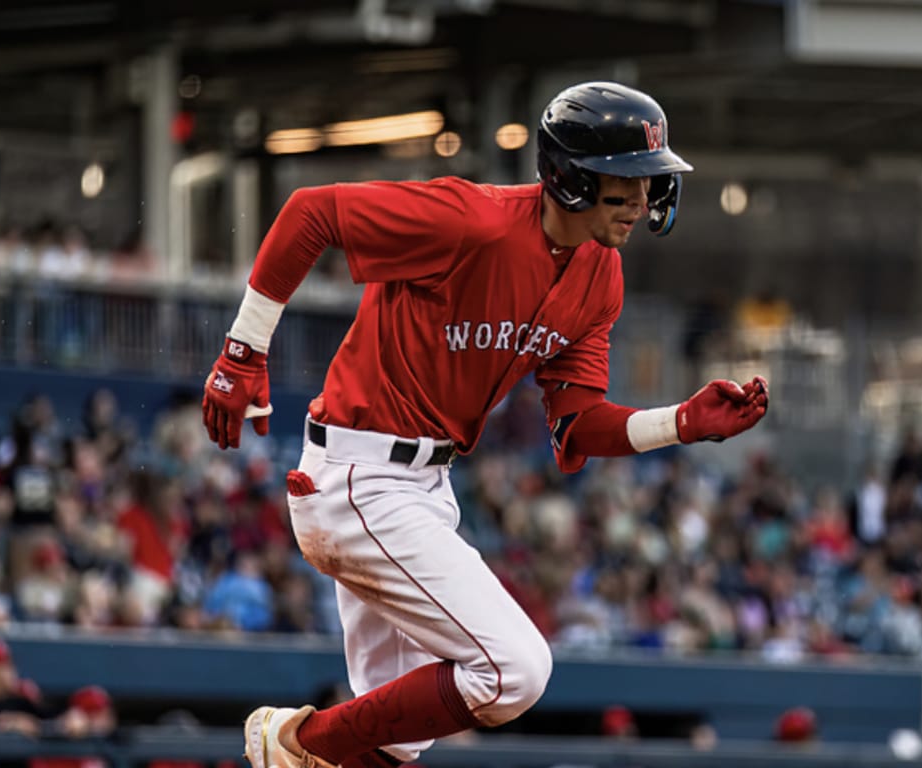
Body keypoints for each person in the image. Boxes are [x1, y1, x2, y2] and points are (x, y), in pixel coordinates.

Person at [201, 82, 768, 768]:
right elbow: (309, 214)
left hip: (424, 486)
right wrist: (242, 351)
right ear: (572, 178)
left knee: (394, 741)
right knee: (514, 671)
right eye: (628, 183)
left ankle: (309, 756)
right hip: (359, 476)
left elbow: (577, 426)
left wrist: (680, 422)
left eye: (652, 183)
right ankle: (289, 742)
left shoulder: (601, 277)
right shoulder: (472, 219)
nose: (645, 201)